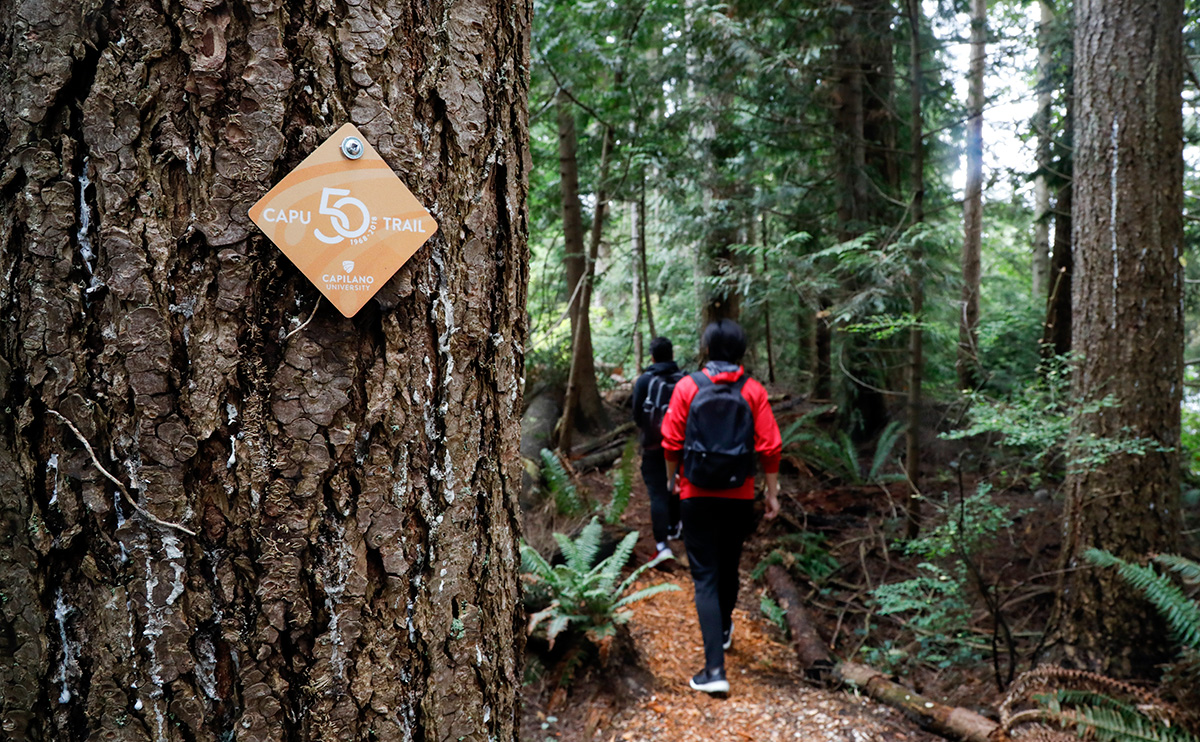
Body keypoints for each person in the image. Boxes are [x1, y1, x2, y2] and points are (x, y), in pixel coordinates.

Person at [660, 319, 781, 695]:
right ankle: (724, 627)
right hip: (740, 494)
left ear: (708, 350)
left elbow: (670, 439)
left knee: (706, 577)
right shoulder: (753, 391)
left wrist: (671, 478)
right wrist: (772, 493)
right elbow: (770, 446)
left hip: (696, 494)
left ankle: (715, 670)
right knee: (729, 567)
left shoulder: (688, 386)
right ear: (742, 351)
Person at [631, 336, 684, 561]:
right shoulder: (686, 380)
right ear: (672, 355)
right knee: (677, 485)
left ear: (652, 357)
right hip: (682, 446)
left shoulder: (644, 381)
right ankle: (675, 527)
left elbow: (636, 416)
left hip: (654, 446)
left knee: (657, 494)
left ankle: (662, 545)